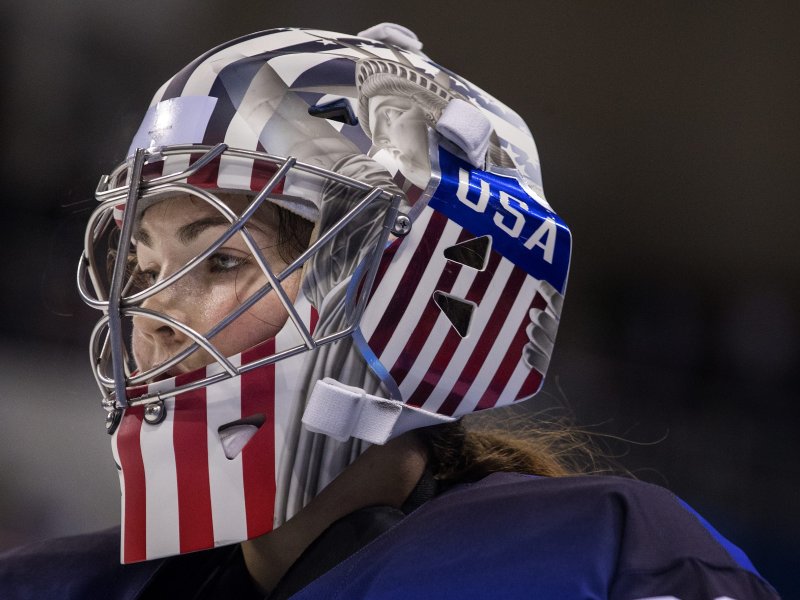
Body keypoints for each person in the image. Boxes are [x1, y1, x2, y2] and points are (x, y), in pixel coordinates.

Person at [0, 23, 780, 600]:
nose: (152, 310)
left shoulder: (604, 558)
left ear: (410, 286)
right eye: (141, 265)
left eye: (222, 259)